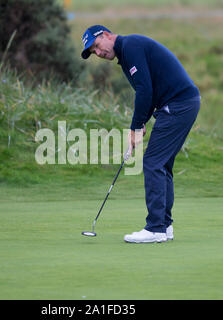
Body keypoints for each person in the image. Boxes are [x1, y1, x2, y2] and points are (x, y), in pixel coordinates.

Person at [81, 25, 200, 243]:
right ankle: (164, 225)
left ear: (106, 35)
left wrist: (135, 128)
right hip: (181, 103)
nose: (98, 53)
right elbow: (150, 89)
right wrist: (142, 121)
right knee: (162, 164)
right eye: (93, 52)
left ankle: (155, 228)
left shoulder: (131, 45)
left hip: (178, 104)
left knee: (153, 162)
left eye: (97, 46)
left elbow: (145, 90)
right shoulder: (126, 53)